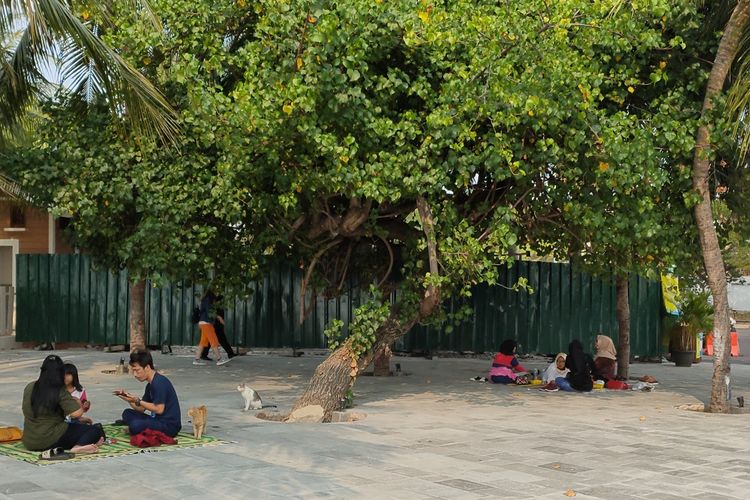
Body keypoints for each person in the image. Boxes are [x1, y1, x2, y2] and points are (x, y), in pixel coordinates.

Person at [22, 355, 104, 455]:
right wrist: (78, 403)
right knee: (95, 430)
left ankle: (81, 443)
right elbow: (77, 413)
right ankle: (78, 447)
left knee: (77, 427)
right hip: (49, 439)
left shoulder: (30, 386)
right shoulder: (59, 390)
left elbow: (43, 411)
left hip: (30, 441)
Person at [116, 349, 182, 437]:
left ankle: (137, 428)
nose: (135, 374)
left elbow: (159, 409)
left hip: (169, 426)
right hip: (157, 420)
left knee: (136, 425)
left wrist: (138, 400)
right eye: (133, 371)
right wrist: (128, 399)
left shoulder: (159, 383)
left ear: (147, 367)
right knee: (127, 413)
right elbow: (141, 409)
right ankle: (139, 428)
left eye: (137, 370)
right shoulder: (150, 385)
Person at [193, 290, 231, 366]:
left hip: (204, 323)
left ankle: (196, 360)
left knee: (202, 342)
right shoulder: (207, 300)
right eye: (216, 291)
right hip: (206, 323)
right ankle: (219, 359)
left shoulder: (205, 300)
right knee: (213, 340)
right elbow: (209, 311)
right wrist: (219, 317)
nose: (218, 293)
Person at [199, 297, 236, 361]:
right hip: (212, 323)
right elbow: (210, 312)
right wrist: (219, 317)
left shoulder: (208, 300)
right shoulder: (210, 300)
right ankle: (220, 358)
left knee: (206, 341)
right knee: (215, 339)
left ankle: (200, 356)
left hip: (211, 323)